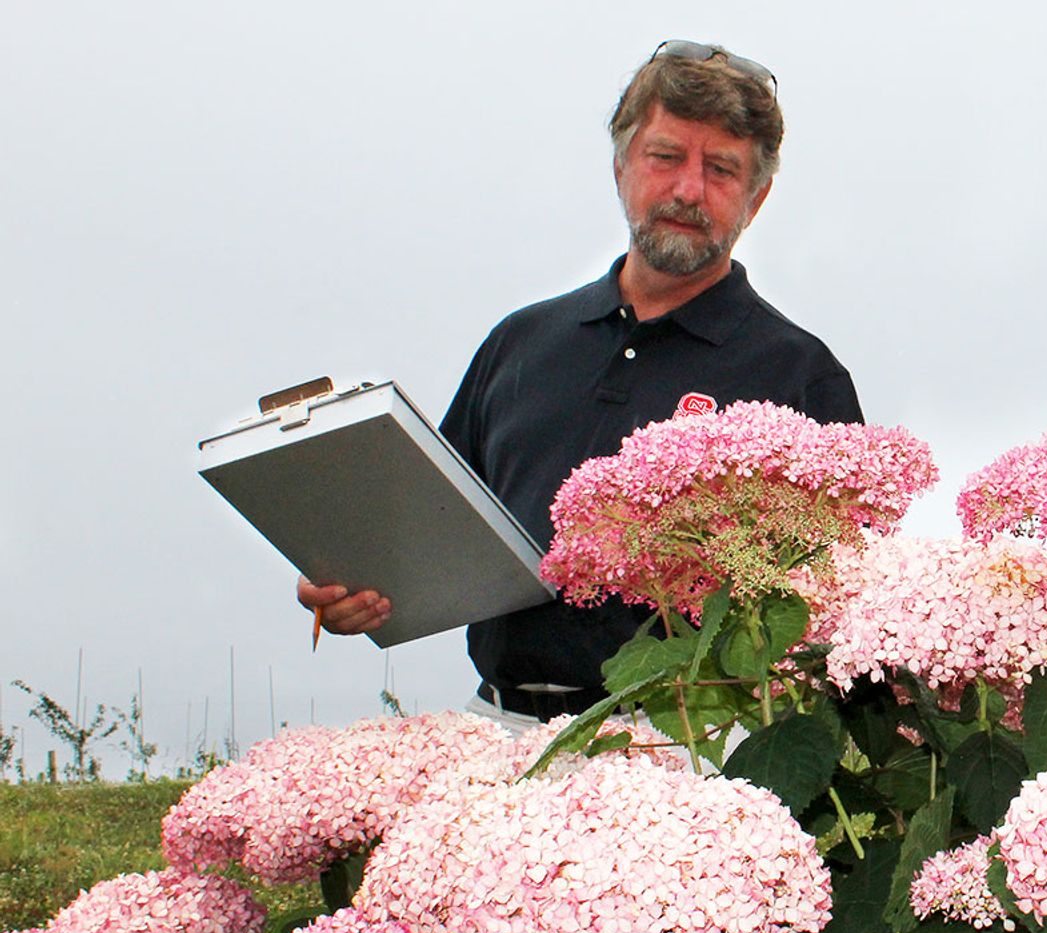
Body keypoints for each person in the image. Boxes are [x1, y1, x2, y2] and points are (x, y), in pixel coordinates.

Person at [298, 41, 862, 725]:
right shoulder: (521, 343)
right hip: (497, 728)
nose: (688, 189)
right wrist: (356, 577)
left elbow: (847, 596)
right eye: (666, 157)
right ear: (621, 164)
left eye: (721, 169)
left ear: (757, 197)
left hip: (686, 744)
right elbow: (431, 525)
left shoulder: (798, 375)